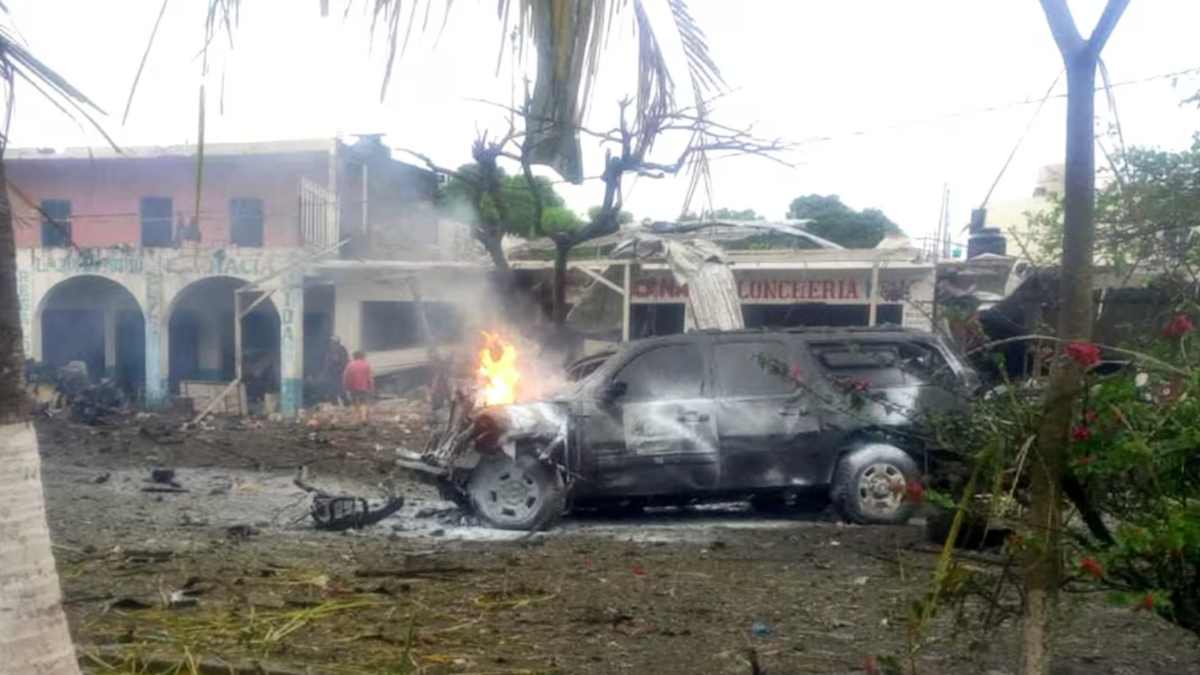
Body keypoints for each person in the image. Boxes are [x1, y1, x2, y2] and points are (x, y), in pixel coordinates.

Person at [342, 350, 374, 422]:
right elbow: (370, 378)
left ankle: (355, 418)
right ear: (362, 356)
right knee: (363, 402)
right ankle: (363, 418)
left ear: (354, 357)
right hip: (363, 387)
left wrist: (346, 386)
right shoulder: (366, 365)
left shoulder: (349, 365)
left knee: (354, 402)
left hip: (352, 387)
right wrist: (371, 387)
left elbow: (345, 377)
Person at [322, 336, 350, 404]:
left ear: (336, 342)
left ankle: (346, 403)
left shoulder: (341, 349)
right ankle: (336, 404)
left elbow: (344, 361)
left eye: (332, 342)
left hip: (338, 373)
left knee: (340, 389)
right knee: (333, 389)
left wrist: (339, 369)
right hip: (333, 373)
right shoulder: (331, 350)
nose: (331, 343)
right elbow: (327, 362)